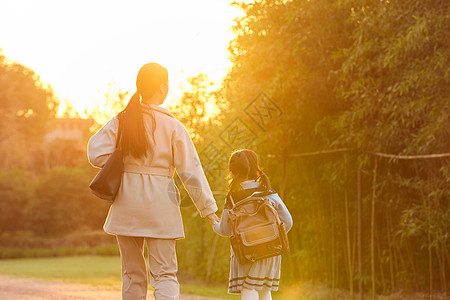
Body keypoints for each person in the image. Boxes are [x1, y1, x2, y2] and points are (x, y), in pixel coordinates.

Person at [87, 62, 219, 300]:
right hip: (161, 207)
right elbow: (191, 172)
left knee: (132, 275)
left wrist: (123, 162)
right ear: (162, 86)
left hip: (127, 205)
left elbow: (94, 152)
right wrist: (208, 210)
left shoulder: (122, 120)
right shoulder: (174, 126)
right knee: (165, 274)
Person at [211, 149, 293, 300]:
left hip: (246, 251)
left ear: (232, 173)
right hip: (270, 249)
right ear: (255, 169)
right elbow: (288, 221)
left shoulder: (233, 197)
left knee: (248, 288)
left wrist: (214, 223)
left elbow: (225, 230)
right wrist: (271, 237)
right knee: (263, 290)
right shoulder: (268, 192)